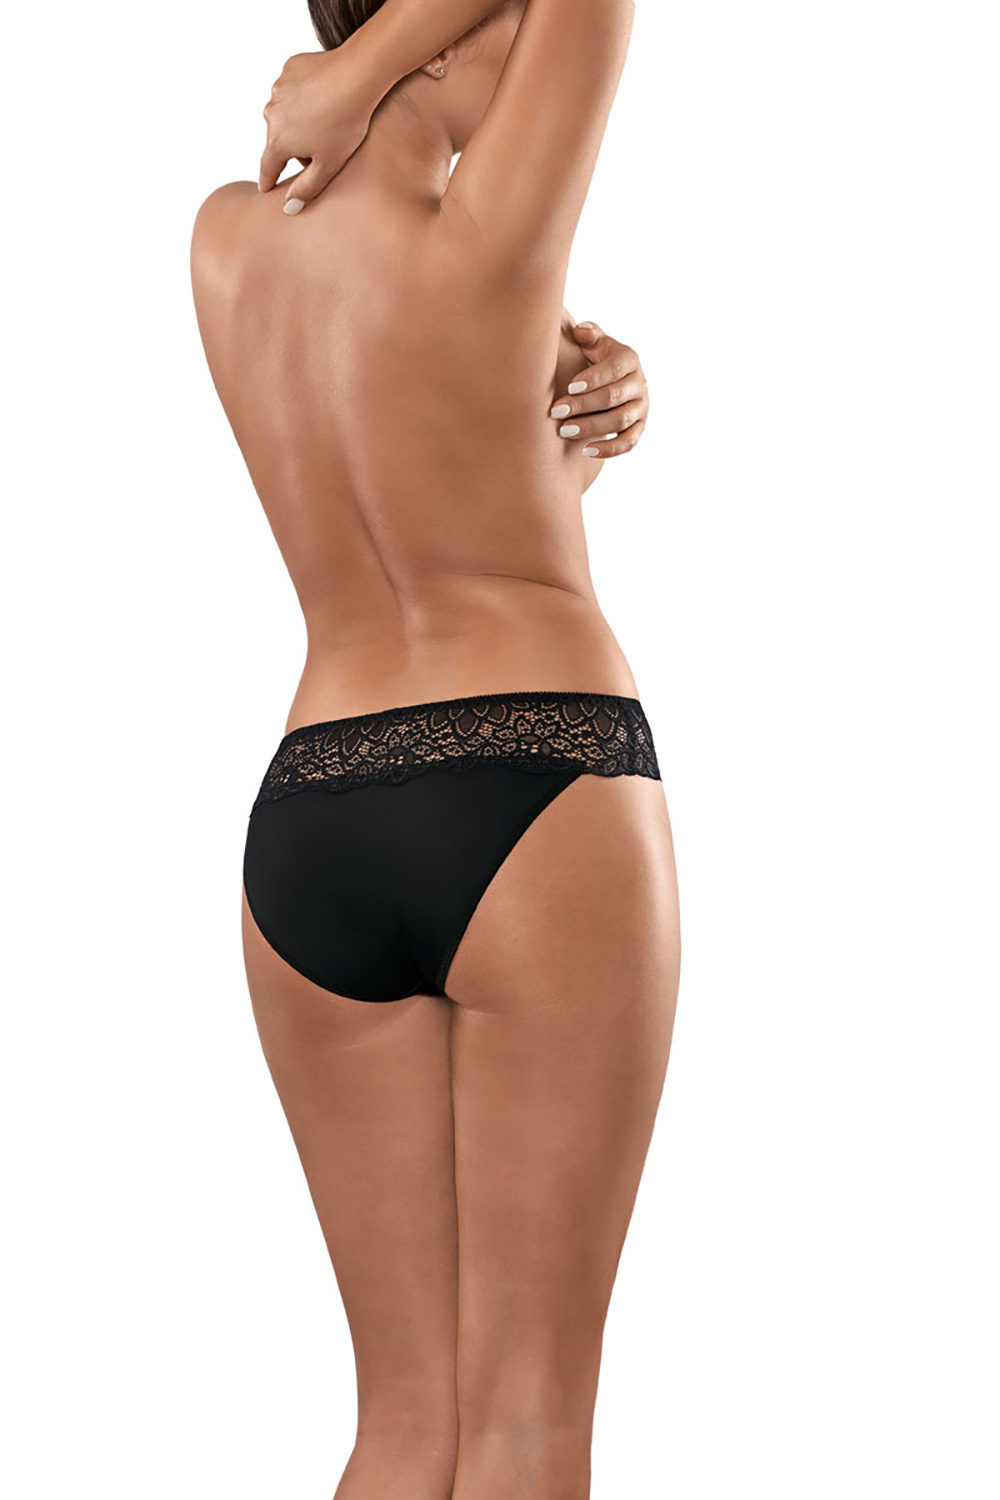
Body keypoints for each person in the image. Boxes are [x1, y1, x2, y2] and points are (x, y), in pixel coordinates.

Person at [190, 2, 680, 1496]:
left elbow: (420, 484)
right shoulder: (490, 230)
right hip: (536, 785)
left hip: (314, 817)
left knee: (404, 1426)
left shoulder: (223, 241)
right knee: (528, 1423)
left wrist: (567, 446)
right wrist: (361, 70)